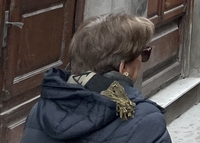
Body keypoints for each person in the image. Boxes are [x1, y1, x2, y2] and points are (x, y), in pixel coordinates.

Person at [22, 14, 171, 143]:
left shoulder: (42, 109)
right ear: (123, 67)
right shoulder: (146, 120)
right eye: (144, 54)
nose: (143, 60)